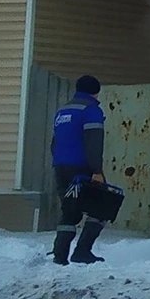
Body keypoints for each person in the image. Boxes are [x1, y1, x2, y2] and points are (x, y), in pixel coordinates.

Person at [49, 74, 124, 266]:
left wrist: (58, 163)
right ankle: (83, 251)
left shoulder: (62, 111)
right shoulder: (91, 111)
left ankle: (60, 254)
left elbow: (54, 142)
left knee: (69, 210)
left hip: (61, 168)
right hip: (82, 168)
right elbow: (93, 143)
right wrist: (96, 170)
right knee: (104, 206)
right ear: (96, 91)